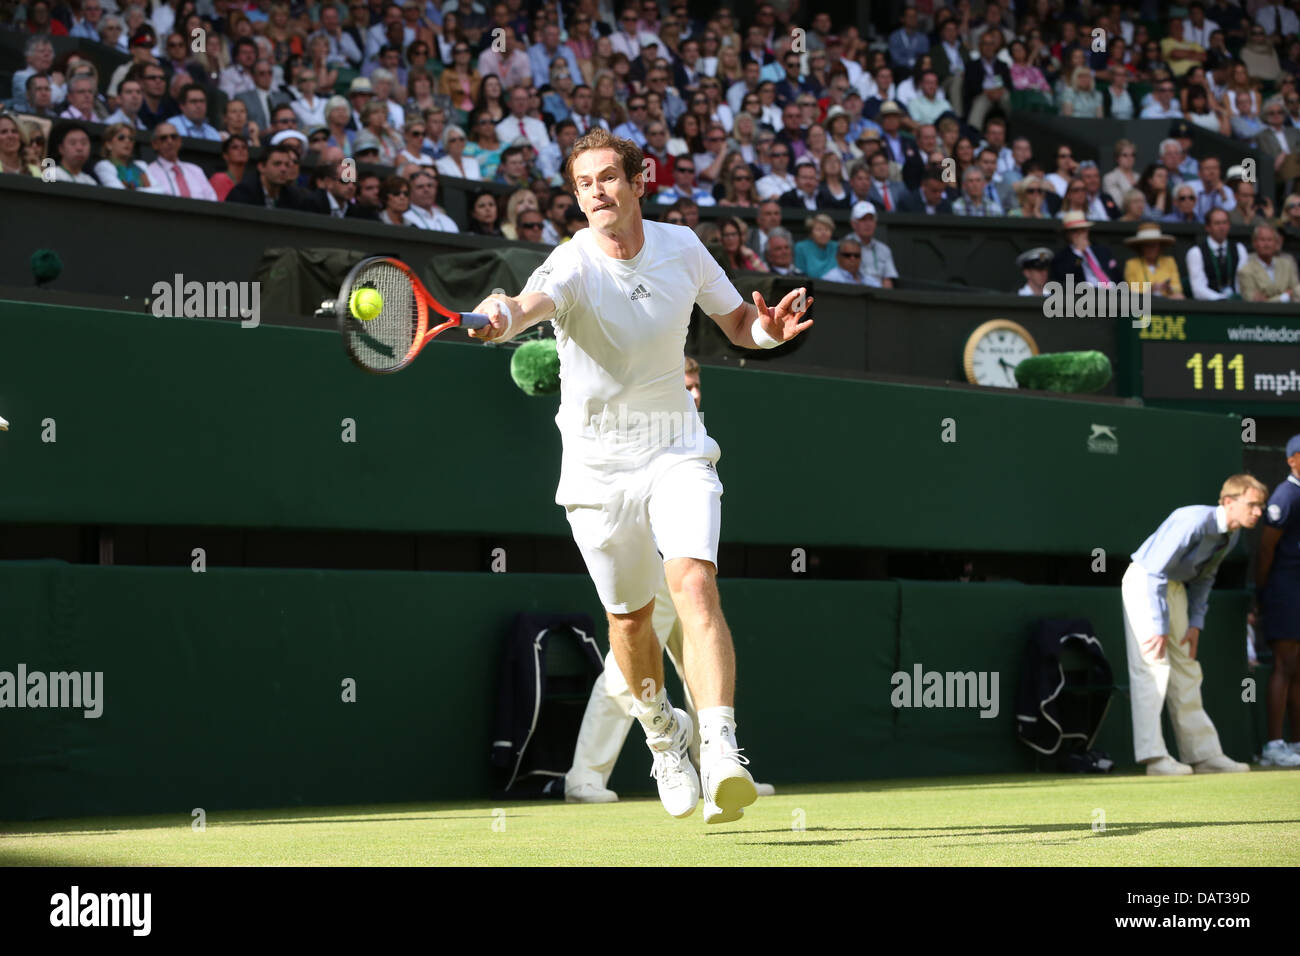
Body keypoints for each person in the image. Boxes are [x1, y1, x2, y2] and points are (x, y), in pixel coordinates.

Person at [466, 127, 812, 824]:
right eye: (583, 183)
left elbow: (740, 324)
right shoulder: (569, 266)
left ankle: (719, 749)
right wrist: (501, 316)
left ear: (639, 179)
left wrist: (770, 331)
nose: (596, 191)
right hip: (597, 471)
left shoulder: (682, 247)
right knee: (629, 622)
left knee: (694, 582)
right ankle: (662, 737)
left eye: (607, 178)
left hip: (676, 448)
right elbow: (523, 308)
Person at [1122, 476, 1266, 774]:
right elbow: (1154, 573)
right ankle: (1154, 758)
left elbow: (1205, 578)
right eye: (1252, 504)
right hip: (1146, 583)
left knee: (1187, 666)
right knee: (1153, 665)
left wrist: (1195, 624)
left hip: (1174, 589)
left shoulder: (1232, 534)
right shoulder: (1192, 520)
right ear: (1229, 501)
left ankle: (1203, 755)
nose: (1258, 512)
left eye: (1261, 506)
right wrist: (1160, 625)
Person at [1256, 434, 1300, 767]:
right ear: (1293, 460)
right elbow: (1267, 548)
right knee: (1284, 666)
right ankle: (1274, 744)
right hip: (1284, 591)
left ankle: (1296, 743)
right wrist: (1263, 592)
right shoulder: (1285, 496)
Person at [1186, 208, 1247, 299]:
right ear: (1208, 227)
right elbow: (1198, 289)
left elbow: (1242, 281)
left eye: (1224, 223)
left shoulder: (1239, 248)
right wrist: (1221, 299)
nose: (1221, 227)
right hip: (1208, 307)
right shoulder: (1195, 252)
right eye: (1217, 223)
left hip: (1236, 304)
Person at [1050, 211, 1122, 284]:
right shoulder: (1062, 257)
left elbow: (1117, 277)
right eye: (1075, 231)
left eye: (1083, 230)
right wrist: (1078, 252)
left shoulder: (1102, 251)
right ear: (1067, 234)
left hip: (1112, 292)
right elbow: (1065, 277)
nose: (1080, 234)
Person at [1238, 223, 1300, 302]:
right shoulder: (1246, 271)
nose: (1266, 244)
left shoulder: (1287, 265)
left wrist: (1269, 299)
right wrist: (1284, 296)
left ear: (1276, 243)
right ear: (1254, 243)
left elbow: (1297, 293)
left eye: (1270, 240)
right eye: (1262, 240)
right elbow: (1255, 304)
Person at [1123, 222, 1184, 298]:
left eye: (1154, 245)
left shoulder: (1169, 261)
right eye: (1147, 245)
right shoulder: (1132, 264)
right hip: (1143, 305)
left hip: (1167, 303)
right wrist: (1150, 289)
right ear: (1140, 247)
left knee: (1179, 297)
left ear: (1160, 246)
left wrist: (1169, 288)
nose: (1150, 249)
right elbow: (1133, 291)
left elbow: (1178, 287)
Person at [846, 201, 897, 288]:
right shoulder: (844, 246)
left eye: (871, 219)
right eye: (863, 219)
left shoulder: (884, 249)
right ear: (853, 224)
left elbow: (887, 280)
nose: (868, 224)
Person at [93, 121, 154, 190]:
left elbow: (160, 190)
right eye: (121, 138)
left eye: (131, 139)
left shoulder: (141, 165)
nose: (127, 141)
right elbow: (119, 192)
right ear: (109, 144)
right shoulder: (103, 166)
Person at [794, 213, 839, 278]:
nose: (823, 233)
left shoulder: (837, 247)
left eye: (827, 229)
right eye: (819, 229)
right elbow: (800, 273)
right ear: (811, 233)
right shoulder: (801, 247)